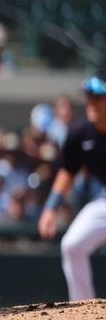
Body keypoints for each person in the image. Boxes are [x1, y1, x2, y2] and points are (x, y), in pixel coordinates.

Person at [38, 71, 106, 300]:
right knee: (72, 245)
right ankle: (83, 310)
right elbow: (68, 171)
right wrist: (50, 207)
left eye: (98, 97)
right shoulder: (81, 132)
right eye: (89, 96)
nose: (91, 102)